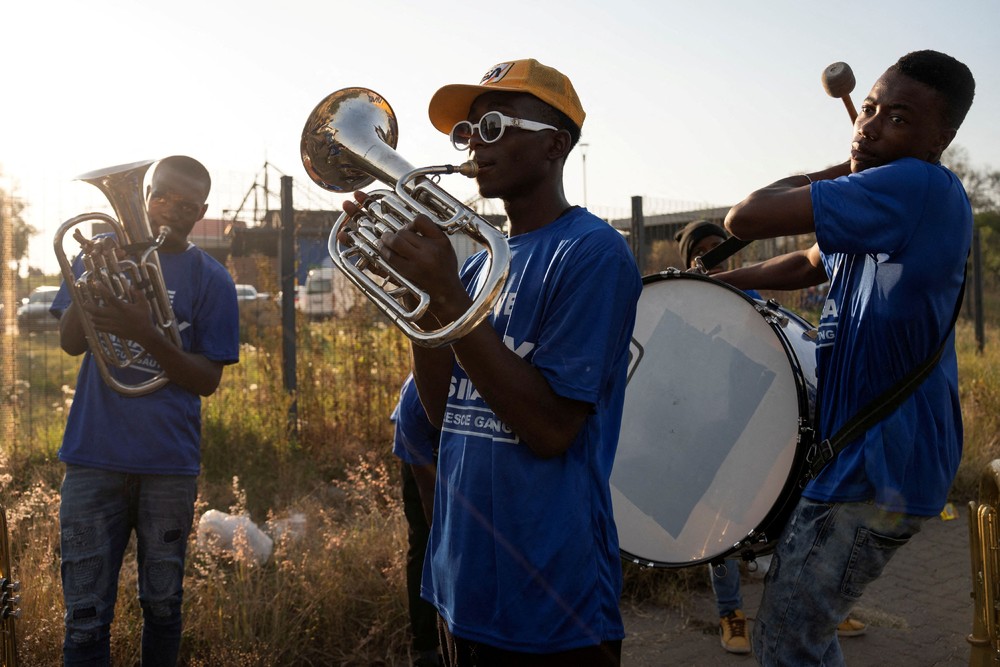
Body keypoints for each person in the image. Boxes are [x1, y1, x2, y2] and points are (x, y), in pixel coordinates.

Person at [345, 58, 643, 666]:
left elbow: (552, 429)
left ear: (554, 145)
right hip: (462, 584)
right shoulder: (480, 261)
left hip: (551, 601)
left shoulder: (594, 254)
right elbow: (441, 412)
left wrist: (450, 299)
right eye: (466, 133)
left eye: (494, 126)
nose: (473, 146)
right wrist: (419, 303)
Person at [714, 50, 975, 665]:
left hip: (882, 464)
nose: (872, 123)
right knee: (804, 633)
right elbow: (807, 261)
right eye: (874, 108)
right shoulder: (881, 203)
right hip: (865, 460)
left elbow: (744, 216)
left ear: (943, 139)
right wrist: (722, 285)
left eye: (899, 120)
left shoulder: (917, 188)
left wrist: (848, 165)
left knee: (786, 637)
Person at [51, 155, 240, 666]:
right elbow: (70, 343)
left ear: (199, 211)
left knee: (162, 606)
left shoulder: (213, 279)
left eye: (184, 206)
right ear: (148, 192)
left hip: (168, 466)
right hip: (93, 458)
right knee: (84, 618)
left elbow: (207, 380)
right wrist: (91, 275)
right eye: (160, 197)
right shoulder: (99, 258)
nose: (167, 212)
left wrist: (145, 333)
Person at [676, 220, 866, 654]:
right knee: (721, 523)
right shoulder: (684, 306)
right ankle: (731, 614)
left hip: (762, 428)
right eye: (702, 251)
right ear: (689, 259)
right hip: (712, 433)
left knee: (787, 523)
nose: (712, 257)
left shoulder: (755, 299)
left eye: (718, 249)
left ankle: (815, 611)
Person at [391, 374, 443, 667]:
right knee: (425, 541)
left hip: (469, 446)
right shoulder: (415, 404)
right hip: (423, 453)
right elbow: (429, 495)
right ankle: (426, 646)